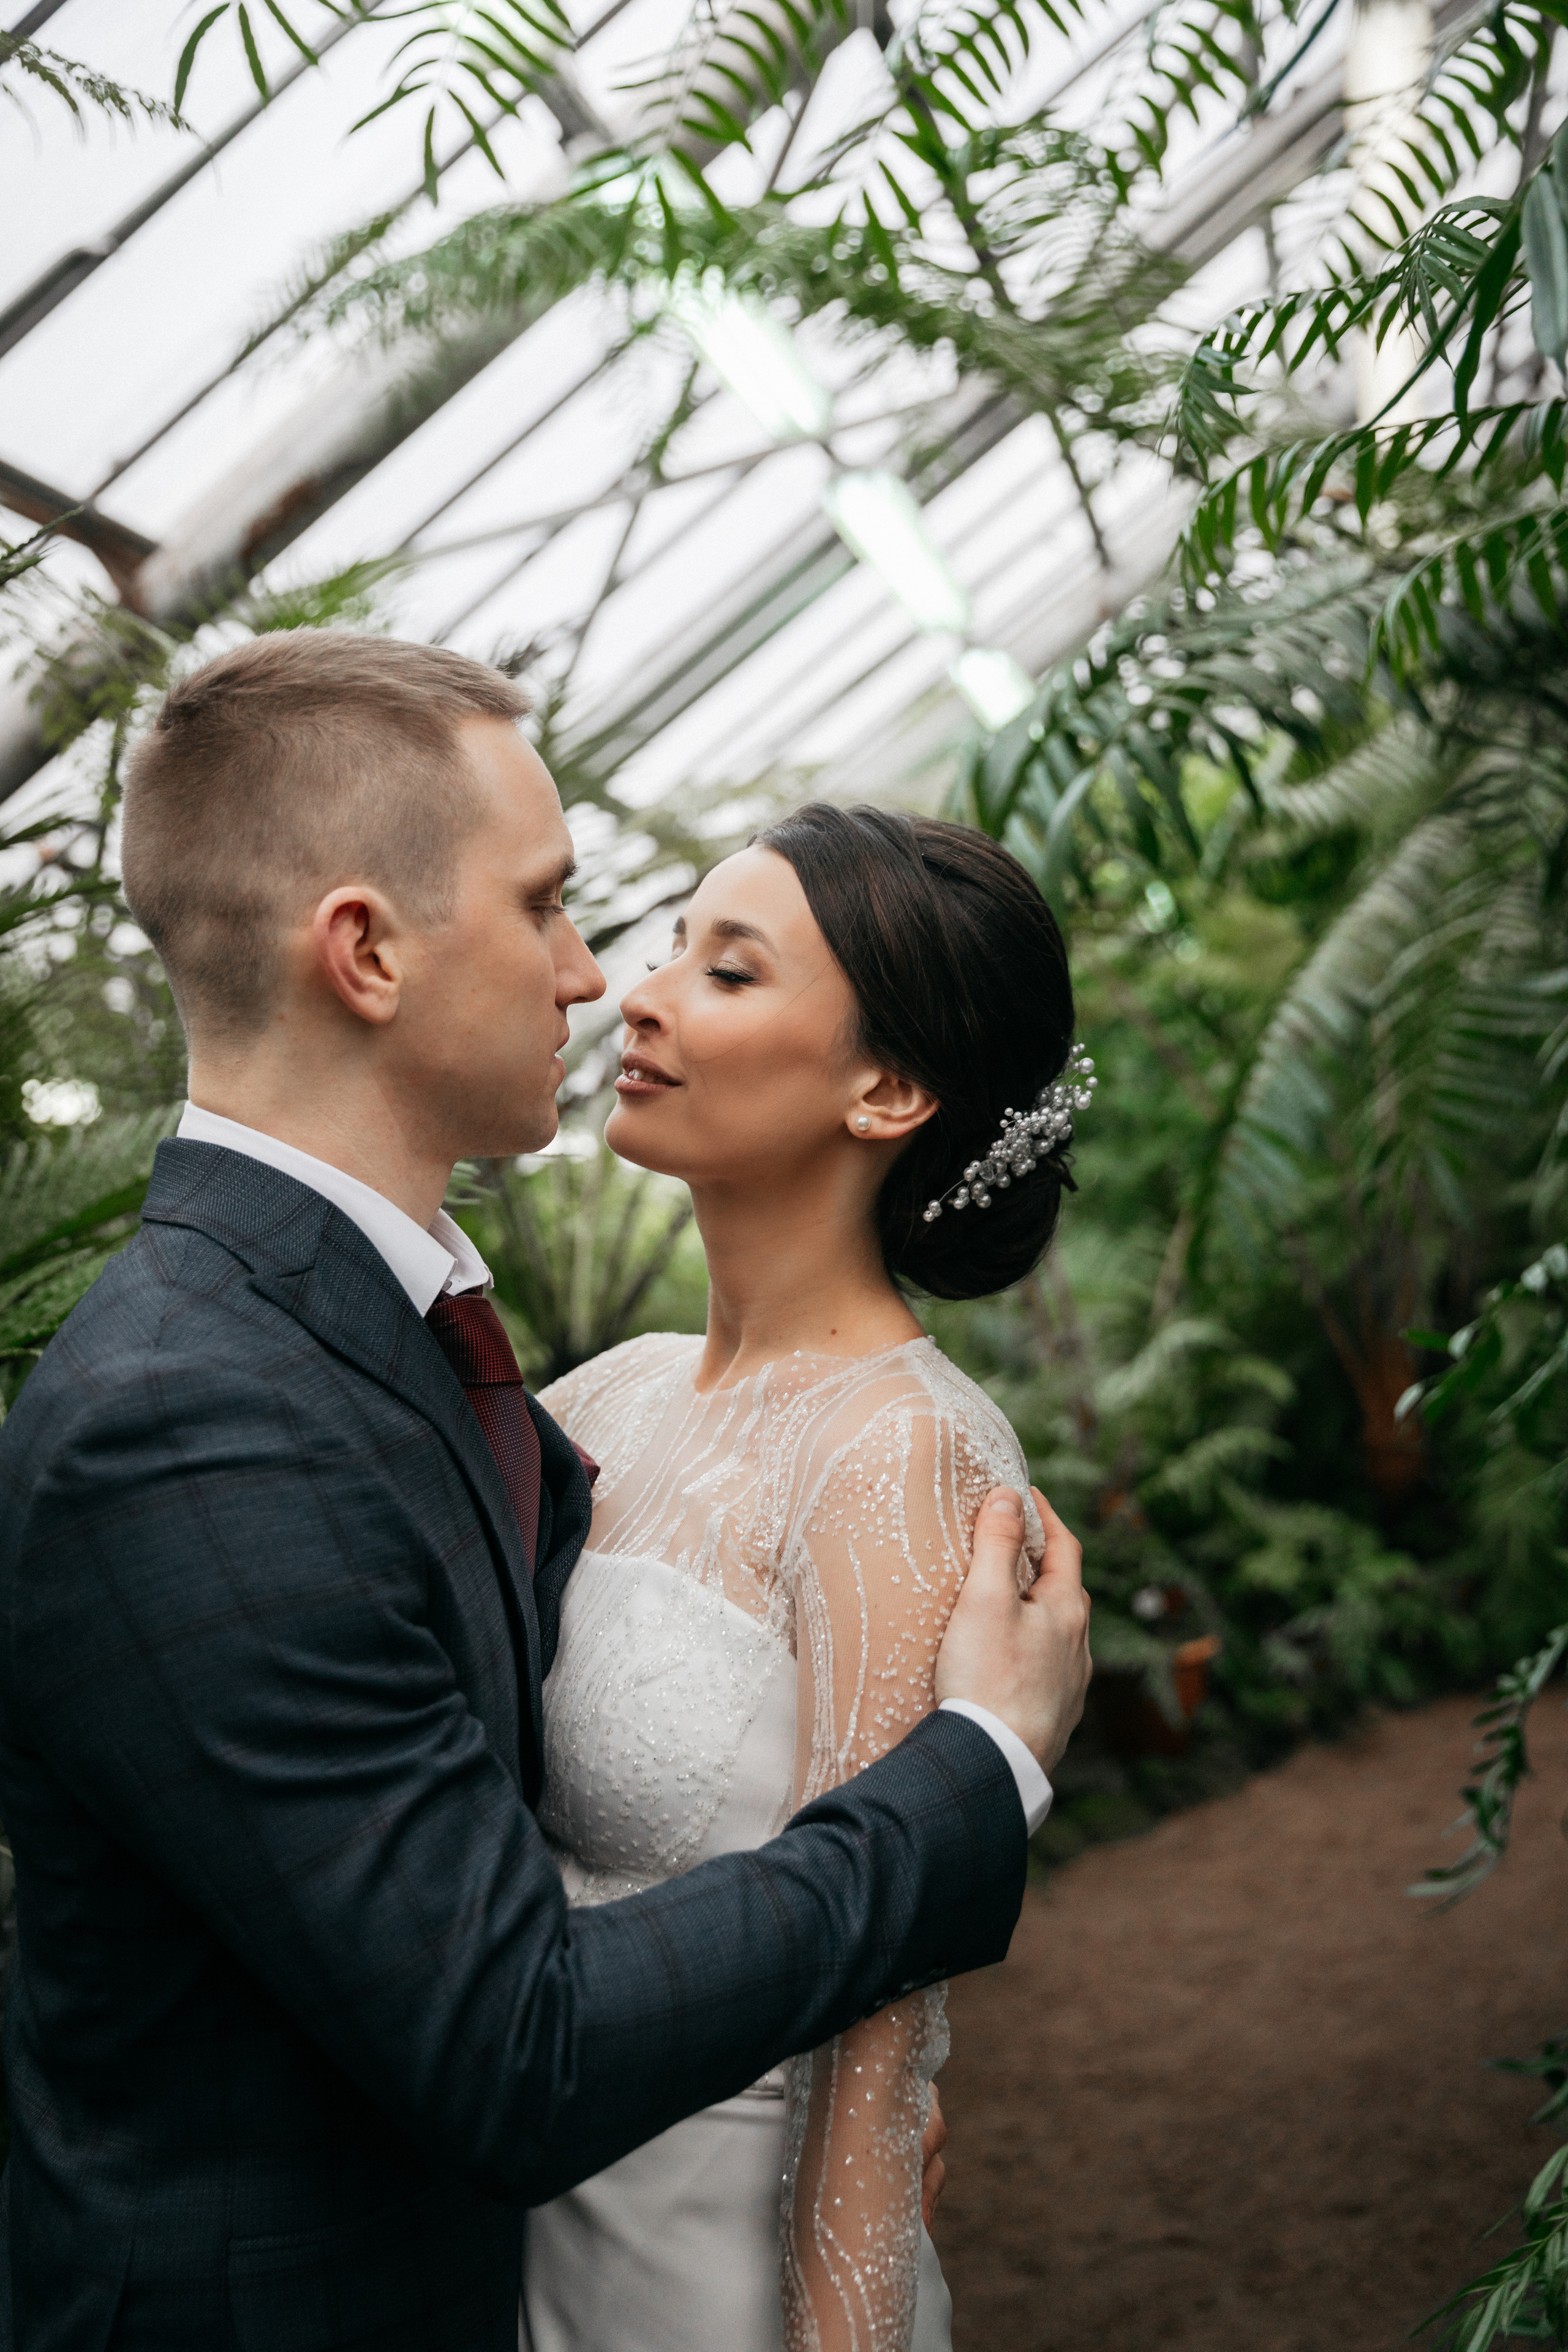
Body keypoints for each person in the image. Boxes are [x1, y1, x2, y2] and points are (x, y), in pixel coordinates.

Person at [0, 634, 1091, 2352]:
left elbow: (866, 2076)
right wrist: (983, 1774)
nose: (601, 980)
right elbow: (510, 2030)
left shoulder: (432, 1353)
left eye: (712, 966)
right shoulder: (215, 1416)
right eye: (552, 909)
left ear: (890, 1094)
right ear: (364, 951)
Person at [521, 803, 1090, 2352]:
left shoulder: (902, 1459)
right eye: (675, 946)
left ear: (886, 1089)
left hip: (708, 2284)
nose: (640, 992)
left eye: (730, 969)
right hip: (504, 2230)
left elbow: (876, 2034)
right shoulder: (599, 1399)